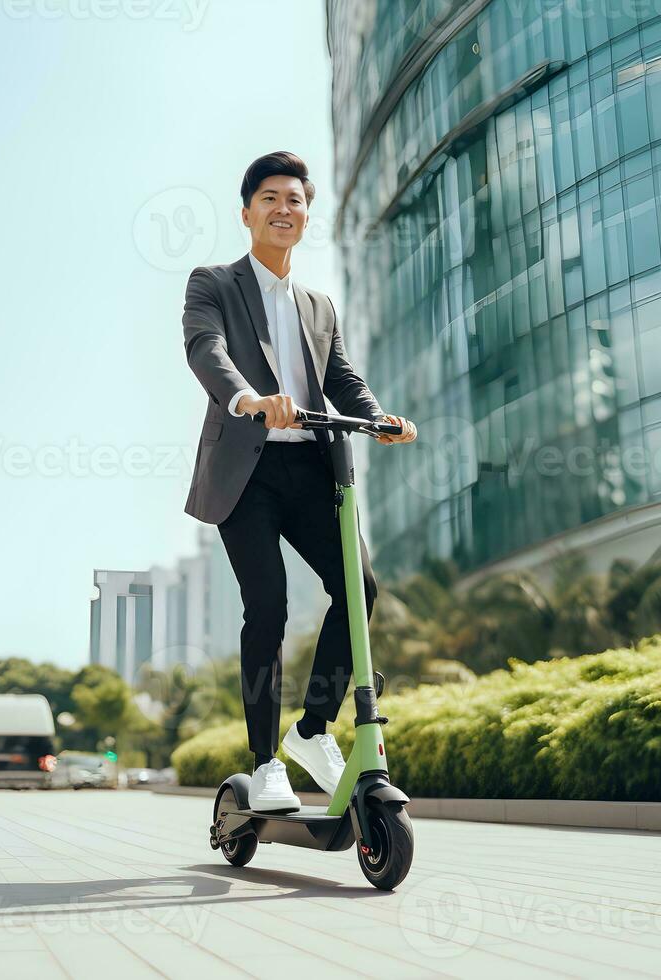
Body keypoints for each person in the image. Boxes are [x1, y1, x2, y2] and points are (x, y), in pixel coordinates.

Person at [181, 151, 417, 813]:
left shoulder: (318, 305)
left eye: (295, 200)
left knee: (359, 588)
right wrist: (248, 399)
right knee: (270, 607)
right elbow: (207, 348)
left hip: (311, 466)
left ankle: (313, 729)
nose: (285, 209)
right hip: (246, 473)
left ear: (306, 213)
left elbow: (341, 379)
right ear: (247, 212)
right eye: (270, 199)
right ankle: (264, 766)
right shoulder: (215, 283)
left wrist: (379, 420)